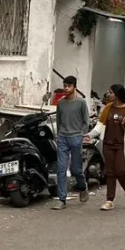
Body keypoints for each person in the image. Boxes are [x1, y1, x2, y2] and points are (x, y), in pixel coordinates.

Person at [89, 84, 125, 211]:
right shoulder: (107, 108)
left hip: (122, 146)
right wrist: (88, 135)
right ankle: (109, 200)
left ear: (116, 94)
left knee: (120, 171)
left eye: (110, 92)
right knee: (110, 172)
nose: (108, 94)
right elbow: (99, 127)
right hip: (107, 144)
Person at [52, 76, 90, 210]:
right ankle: (61, 199)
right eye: (65, 85)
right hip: (62, 137)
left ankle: (83, 186)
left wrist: (81, 135)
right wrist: (58, 135)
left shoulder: (81, 103)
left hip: (75, 138)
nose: (66, 88)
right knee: (61, 169)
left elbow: (86, 122)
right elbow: (59, 120)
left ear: (75, 87)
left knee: (76, 169)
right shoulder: (61, 103)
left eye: (69, 86)